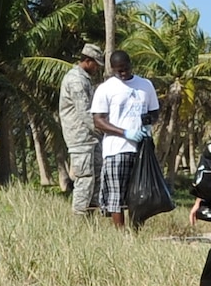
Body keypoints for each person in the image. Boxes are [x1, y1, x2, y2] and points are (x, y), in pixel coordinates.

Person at [89, 49, 159, 229]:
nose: (123, 73)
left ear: (130, 65)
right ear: (112, 69)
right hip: (117, 149)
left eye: (125, 68)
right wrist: (125, 132)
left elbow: (154, 112)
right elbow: (99, 121)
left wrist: (146, 125)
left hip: (141, 149)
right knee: (116, 195)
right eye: (118, 70)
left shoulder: (145, 85)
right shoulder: (105, 89)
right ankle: (120, 235)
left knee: (139, 193)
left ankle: (136, 230)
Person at [59, 43, 106, 215]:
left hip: (91, 138)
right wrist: (104, 130)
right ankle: (79, 219)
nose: (97, 69)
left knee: (97, 177)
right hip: (81, 138)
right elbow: (85, 112)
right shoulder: (76, 80)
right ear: (87, 61)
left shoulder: (84, 78)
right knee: (85, 179)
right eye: (96, 64)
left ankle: (91, 217)